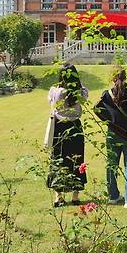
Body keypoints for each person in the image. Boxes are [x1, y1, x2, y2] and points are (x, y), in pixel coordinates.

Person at [46, 64, 88, 207]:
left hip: (59, 126)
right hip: (75, 126)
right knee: (77, 159)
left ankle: (59, 196)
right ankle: (75, 195)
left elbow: (50, 102)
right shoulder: (79, 92)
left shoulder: (55, 91)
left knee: (58, 159)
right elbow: (85, 96)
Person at [99, 67, 127, 209]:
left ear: (112, 78)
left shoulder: (106, 94)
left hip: (112, 133)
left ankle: (113, 196)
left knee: (112, 165)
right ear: (126, 77)